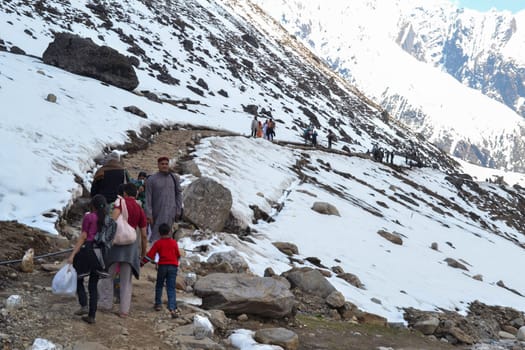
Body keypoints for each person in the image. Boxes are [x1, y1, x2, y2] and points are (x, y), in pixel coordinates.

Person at [98, 183, 147, 318]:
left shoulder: (120, 202)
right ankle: (124, 310)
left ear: (124, 193)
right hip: (131, 250)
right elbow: (143, 234)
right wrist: (143, 252)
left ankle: (106, 303)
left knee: (108, 275)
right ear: (136, 194)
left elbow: (113, 219)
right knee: (126, 280)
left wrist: (104, 236)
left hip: (115, 246)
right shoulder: (139, 209)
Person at [67, 194, 108, 324]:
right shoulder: (107, 219)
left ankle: (83, 304)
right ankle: (92, 316)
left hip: (87, 251)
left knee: (79, 278)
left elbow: (83, 236)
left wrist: (73, 254)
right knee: (93, 286)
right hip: (100, 253)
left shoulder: (89, 217)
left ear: (93, 205)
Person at [141, 223, 181, 318]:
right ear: (170, 232)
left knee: (159, 285)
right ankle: (172, 307)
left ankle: (158, 304)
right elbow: (178, 255)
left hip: (162, 266)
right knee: (171, 287)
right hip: (173, 266)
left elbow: (150, 255)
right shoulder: (174, 243)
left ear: (159, 233)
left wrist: (142, 263)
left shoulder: (158, 243)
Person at [145, 157, 183, 243]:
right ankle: (154, 254)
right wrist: (149, 214)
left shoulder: (174, 178)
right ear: (158, 165)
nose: (164, 166)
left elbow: (179, 194)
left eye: (166, 164)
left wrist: (178, 209)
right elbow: (148, 197)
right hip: (156, 213)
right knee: (155, 236)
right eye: (162, 164)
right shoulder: (151, 179)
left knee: (167, 236)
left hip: (171, 213)